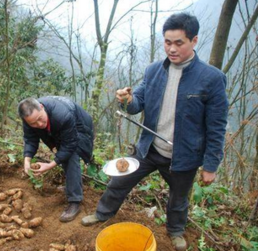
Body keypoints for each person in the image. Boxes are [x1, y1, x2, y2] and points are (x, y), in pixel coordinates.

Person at [81, 12, 228, 251]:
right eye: (167, 42)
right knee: (120, 181)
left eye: (178, 42)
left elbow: (217, 125)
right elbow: (137, 103)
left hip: (184, 155)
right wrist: (126, 100)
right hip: (149, 148)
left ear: (194, 41)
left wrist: (211, 164)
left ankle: (176, 231)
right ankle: (102, 213)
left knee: (179, 197)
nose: (171, 48)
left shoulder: (211, 78)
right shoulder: (153, 71)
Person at [18, 96, 94, 222]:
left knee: (70, 156)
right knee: (60, 152)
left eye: (40, 119)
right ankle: (72, 185)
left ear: (41, 107)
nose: (39, 124)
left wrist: (50, 165)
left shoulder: (62, 115)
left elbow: (70, 145)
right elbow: (30, 139)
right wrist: (27, 160)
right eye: (33, 123)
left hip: (81, 127)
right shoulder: (29, 120)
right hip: (58, 128)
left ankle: (75, 201)